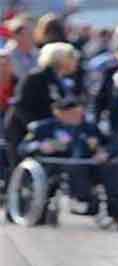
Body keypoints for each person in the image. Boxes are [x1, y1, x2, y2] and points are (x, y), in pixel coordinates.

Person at [18, 97, 118, 221]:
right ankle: (83, 200)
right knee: (74, 169)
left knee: (113, 168)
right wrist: (40, 146)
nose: (76, 116)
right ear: (58, 113)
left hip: (89, 164)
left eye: (78, 113)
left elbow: (113, 144)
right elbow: (23, 147)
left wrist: (105, 153)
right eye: (71, 114)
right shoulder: (43, 128)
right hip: (57, 166)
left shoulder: (90, 128)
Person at [4, 42, 80, 170]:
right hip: (23, 129)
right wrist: (36, 128)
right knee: (18, 169)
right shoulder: (35, 76)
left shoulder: (60, 79)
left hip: (47, 129)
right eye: (72, 57)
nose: (75, 62)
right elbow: (20, 105)